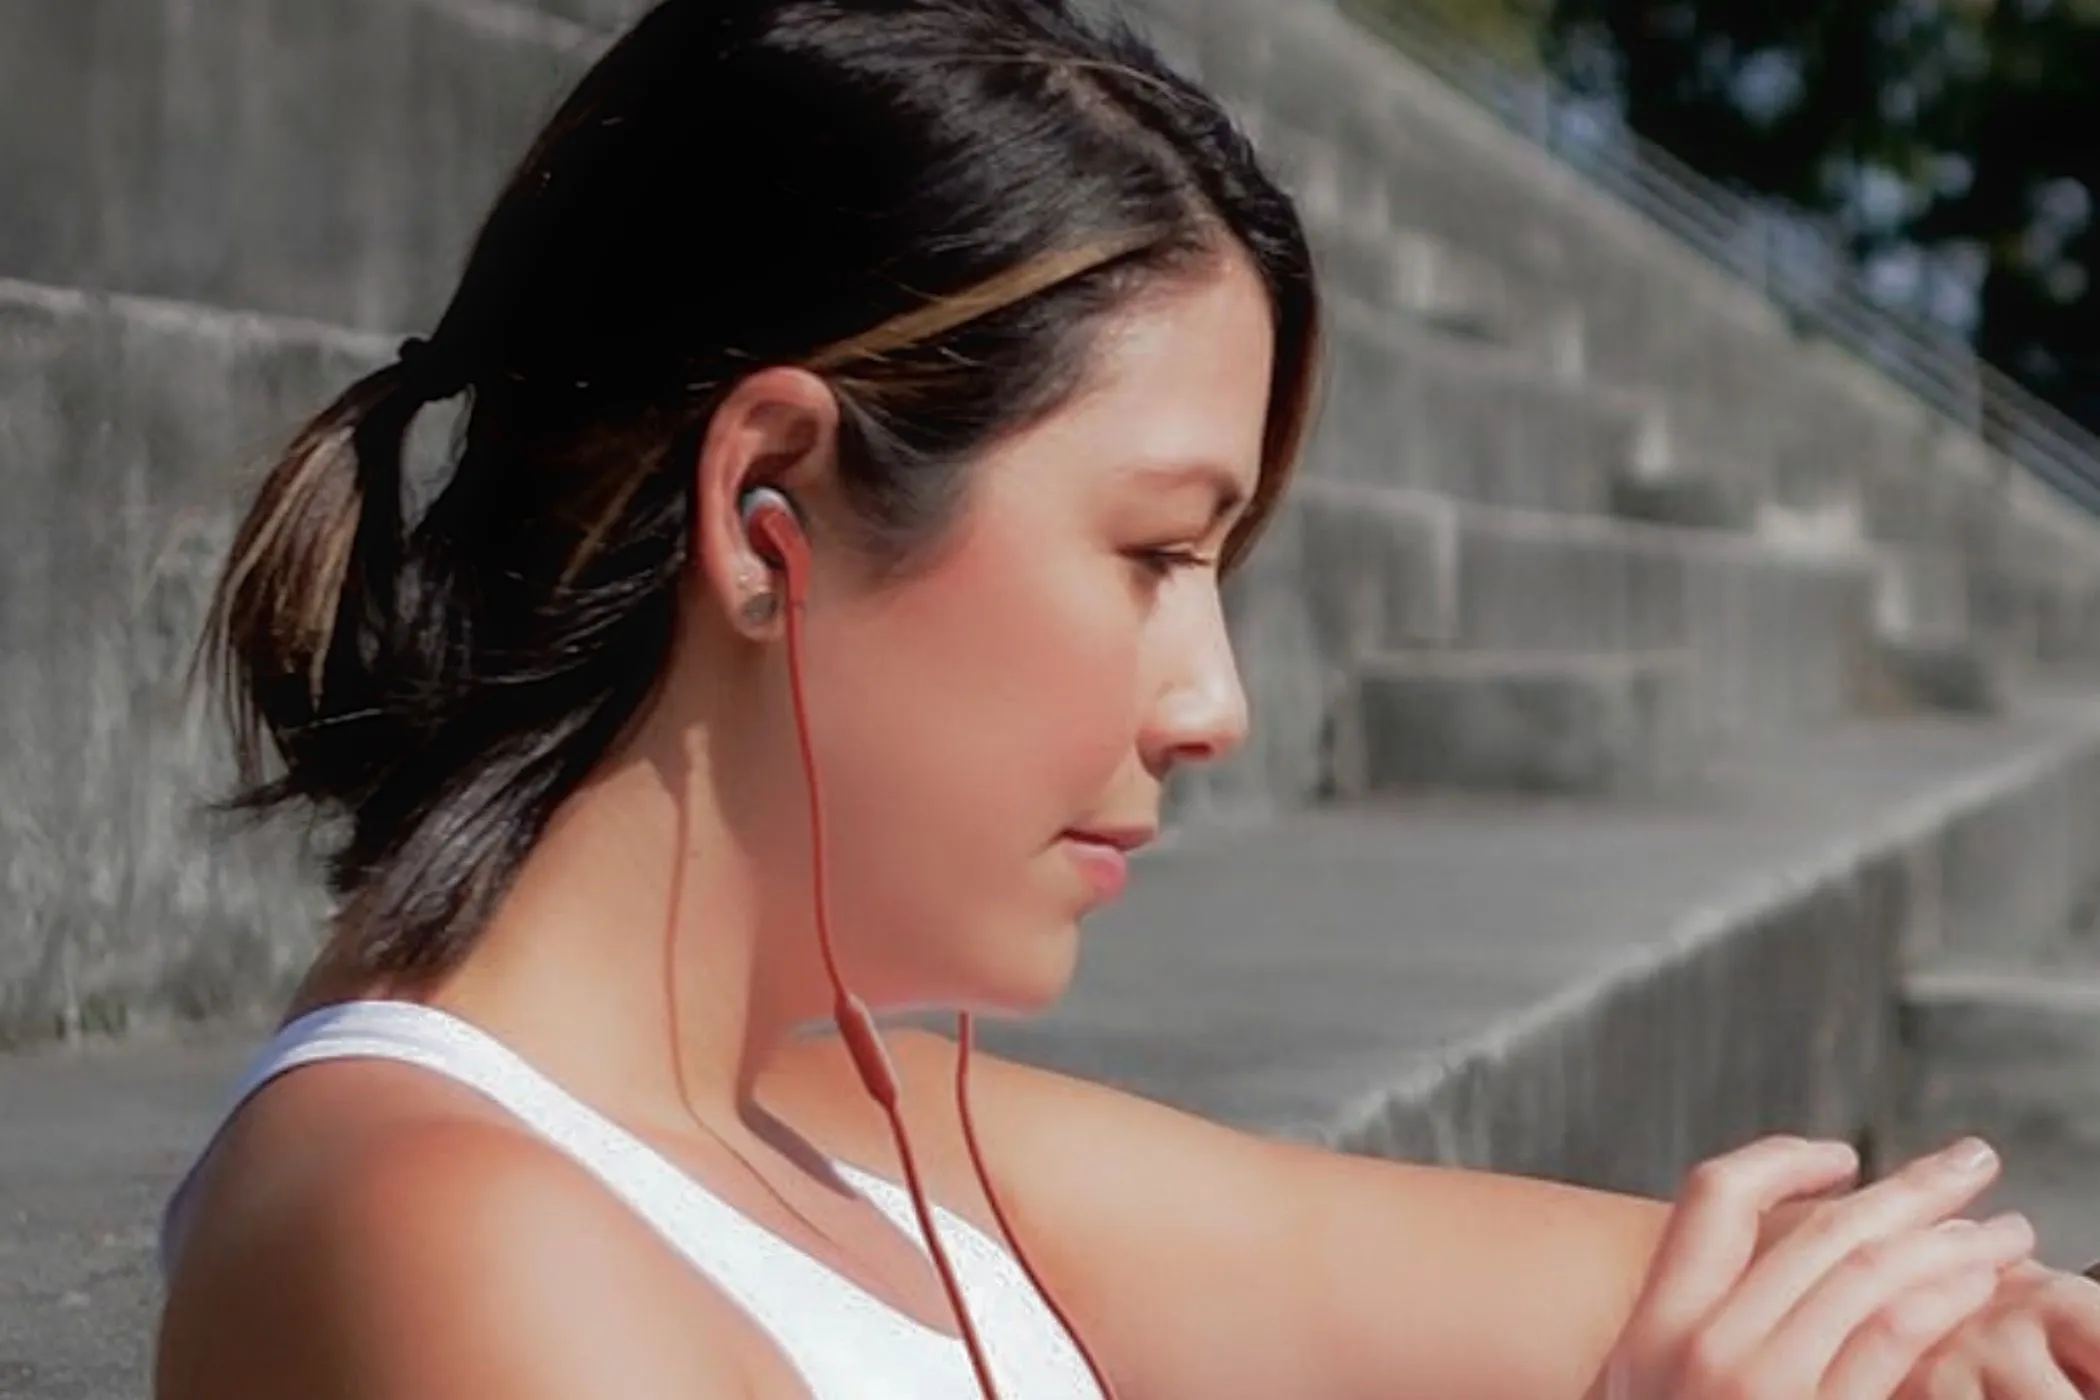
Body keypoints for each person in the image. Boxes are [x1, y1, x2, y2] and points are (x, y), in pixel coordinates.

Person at [151, 0, 2100, 1396]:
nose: (1213, 704)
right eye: (1159, 555)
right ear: (770, 515)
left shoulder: (862, 1119)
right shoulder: (431, 1232)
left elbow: (1720, 1297)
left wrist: (1990, 1329)